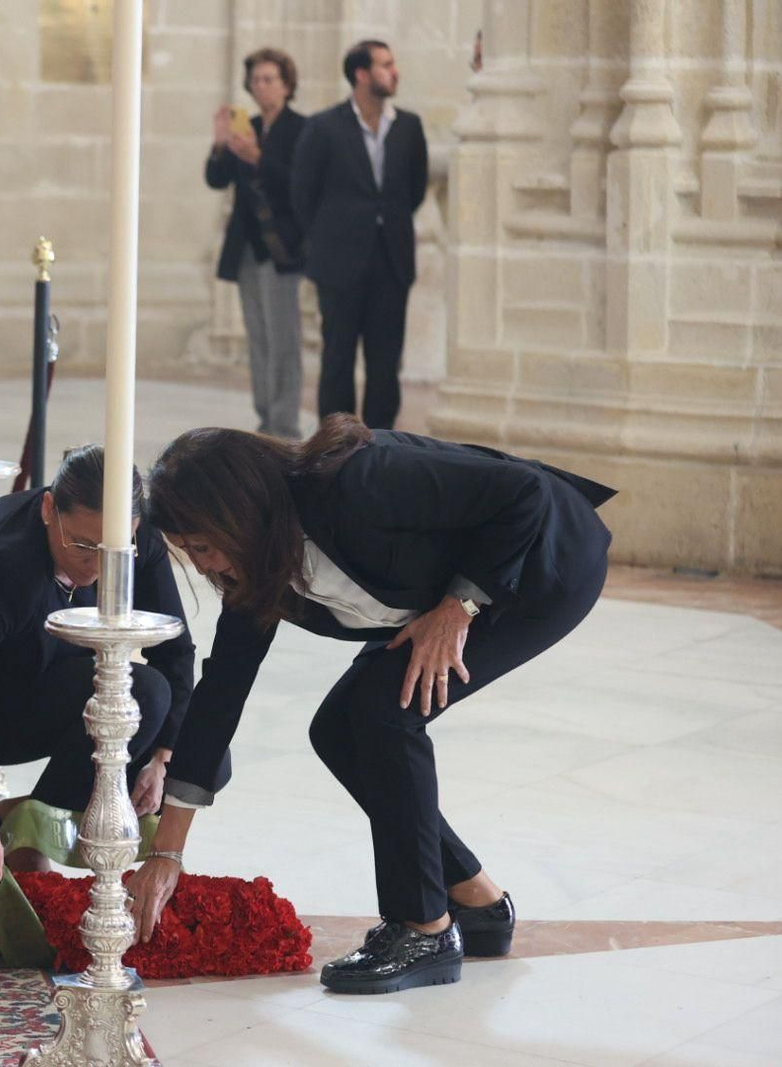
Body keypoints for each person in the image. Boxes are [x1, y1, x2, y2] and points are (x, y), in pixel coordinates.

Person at [125, 418, 615, 994]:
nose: (202, 567)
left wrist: (458, 608)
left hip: (541, 565)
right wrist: (168, 854)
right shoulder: (257, 566)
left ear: (237, 512)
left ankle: (423, 929)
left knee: (385, 710)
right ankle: (477, 902)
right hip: (460, 589)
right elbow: (222, 693)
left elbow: (524, 493)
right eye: (188, 553)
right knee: (337, 728)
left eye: (203, 547)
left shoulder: (357, 482)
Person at [0, 446, 196, 885]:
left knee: (172, 720)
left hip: (49, 673)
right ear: (48, 509)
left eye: (114, 550)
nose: (98, 566)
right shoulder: (2, 568)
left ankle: (22, 821)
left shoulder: (135, 538)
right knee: (143, 696)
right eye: (83, 545)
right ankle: (26, 836)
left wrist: (161, 759)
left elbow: (175, 652)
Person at [290, 40, 428, 430]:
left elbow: (414, 191)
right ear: (362, 74)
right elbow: (302, 193)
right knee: (338, 359)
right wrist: (331, 236)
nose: (395, 71)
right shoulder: (323, 127)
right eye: (386, 65)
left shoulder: (409, 127)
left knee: (386, 362)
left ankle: (383, 444)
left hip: (392, 260)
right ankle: (337, 444)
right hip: (339, 263)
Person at [206, 48, 308, 439]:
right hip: (246, 245)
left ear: (286, 85)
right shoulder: (245, 126)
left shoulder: (301, 128)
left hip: (282, 246)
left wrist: (258, 157)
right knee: (258, 336)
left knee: (284, 337)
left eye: (269, 79)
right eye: (256, 80)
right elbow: (217, 179)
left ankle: (285, 422)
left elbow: (299, 184)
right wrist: (220, 144)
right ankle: (265, 417)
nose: (261, 86)